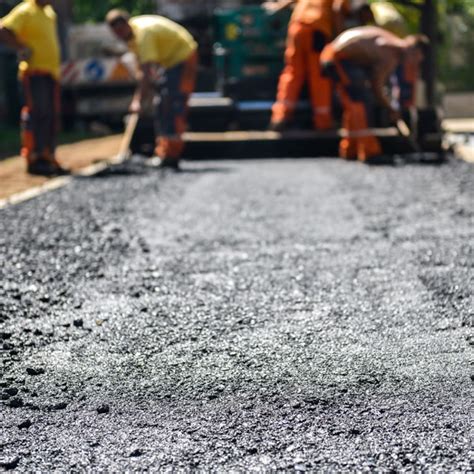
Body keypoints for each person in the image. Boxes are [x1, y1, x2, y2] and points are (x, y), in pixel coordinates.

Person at [106, 9, 198, 170]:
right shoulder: (132, 35)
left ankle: (171, 154)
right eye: (116, 33)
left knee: (172, 105)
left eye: (120, 31)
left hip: (182, 58)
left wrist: (138, 101)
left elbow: (146, 73)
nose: (119, 35)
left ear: (126, 24)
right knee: (162, 104)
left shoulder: (143, 34)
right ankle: (163, 152)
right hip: (169, 63)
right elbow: (141, 68)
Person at [320, 26, 428, 161]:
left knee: (353, 104)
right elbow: (376, 86)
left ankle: (350, 149)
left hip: (336, 55)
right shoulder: (390, 53)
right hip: (336, 57)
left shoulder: (391, 41)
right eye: (417, 59)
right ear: (414, 51)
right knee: (361, 102)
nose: (414, 63)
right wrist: (390, 109)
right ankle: (369, 151)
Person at [0, 0, 67, 176]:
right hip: (34, 73)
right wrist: (21, 47)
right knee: (38, 113)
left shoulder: (49, 12)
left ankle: (48, 154)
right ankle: (35, 157)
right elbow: (4, 29)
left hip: (51, 73)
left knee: (51, 115)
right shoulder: (25, 10)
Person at [264, 0, 350, 131]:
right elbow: (338, 9)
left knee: (292, 72)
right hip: (317, 29)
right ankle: (323, 122)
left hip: (296, 27)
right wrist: (340, 38)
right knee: (319, 75)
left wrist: (277, 6)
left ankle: (280, 117)